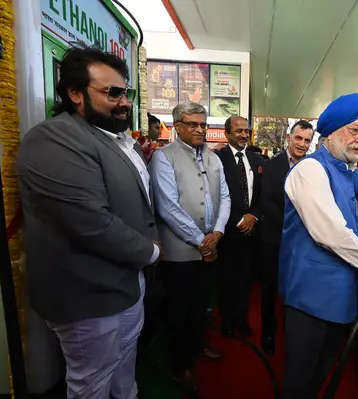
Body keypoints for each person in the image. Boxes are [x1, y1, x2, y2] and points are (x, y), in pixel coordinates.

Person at [16, 47, 160, 398]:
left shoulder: (115, 138)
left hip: (126, 284)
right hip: (88, 296)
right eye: (112, 93)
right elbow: (91, 222)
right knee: (90, 383)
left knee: (124, 367)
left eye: (126, 92)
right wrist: (151, 252)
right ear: (75, 94)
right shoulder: (55, 138)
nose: (124, 101)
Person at [279, 92, 358, 398]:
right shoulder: (310, 169)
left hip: (341, 293)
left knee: (322, 370)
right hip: (310, 297)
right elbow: (331, 232)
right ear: (331, 131)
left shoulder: (349, 173)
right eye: (354, 131)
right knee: (299, 378)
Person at [150, 101, 231, 391]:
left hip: (210, 249)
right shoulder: (163, 157)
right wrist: (201, 241)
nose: (199, 129)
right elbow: (168, 207)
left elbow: (225, 198)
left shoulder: (214, 158)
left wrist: (218, 232)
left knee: (201, 306)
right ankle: (181, 364)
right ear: (178, 127)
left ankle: (197, 347)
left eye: (203, 124)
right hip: (180, 252)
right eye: (192, 124)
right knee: (178, 311)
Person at [260, 120, 314, 355]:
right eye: (298, 138)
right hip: (275, 237)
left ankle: (294, 332)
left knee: (299, 287)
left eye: (307, 140)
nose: (302, 144)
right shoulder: (271, 166)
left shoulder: (314, 168)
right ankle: (268, 330)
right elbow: (267, 202)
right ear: (288, 138)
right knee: (270, 287)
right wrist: (292, 225)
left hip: (305, 241)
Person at [214, 116, 264, 337]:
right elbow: (215, 196)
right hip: (227, 231)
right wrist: (238, 219)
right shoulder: (217, 159)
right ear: (227, 134)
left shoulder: (257, 160)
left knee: (245, 279)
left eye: (247, 130)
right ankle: (226, 320)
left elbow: (264, 194)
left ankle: (241, 319)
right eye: (239, 131)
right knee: (226, 279)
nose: (244, 134)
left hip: (252, 232)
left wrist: (254, 215)